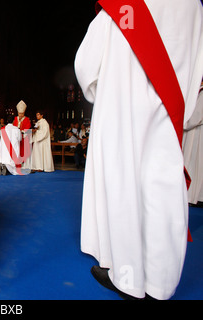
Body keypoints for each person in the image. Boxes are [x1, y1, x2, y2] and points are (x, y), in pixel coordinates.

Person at [75, 0, 203, 300]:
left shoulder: (123, 3)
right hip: (169, 112)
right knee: (162, 188)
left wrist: (100, 92)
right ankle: (160, 284)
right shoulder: (193, 6)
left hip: (121, 108)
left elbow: (86, 65)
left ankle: (128, 278)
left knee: (124, 186)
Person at [183, 82, 203, 205]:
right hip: (196, 132)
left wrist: (183, 122)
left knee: (193, 163)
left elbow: (195, 117)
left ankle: (192, 195)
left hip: (196, 134)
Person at [13, 100, 32, 170]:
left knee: (23, 150)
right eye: (19, 113)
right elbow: (14, 126)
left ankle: (23, 162)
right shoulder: (15, 118)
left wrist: (22, 131)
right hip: (17, 138)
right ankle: (17, 162)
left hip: (24, 138)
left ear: (24, 113)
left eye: (22, 113)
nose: (20, 115)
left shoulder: (26, 119)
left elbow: (28, 128)